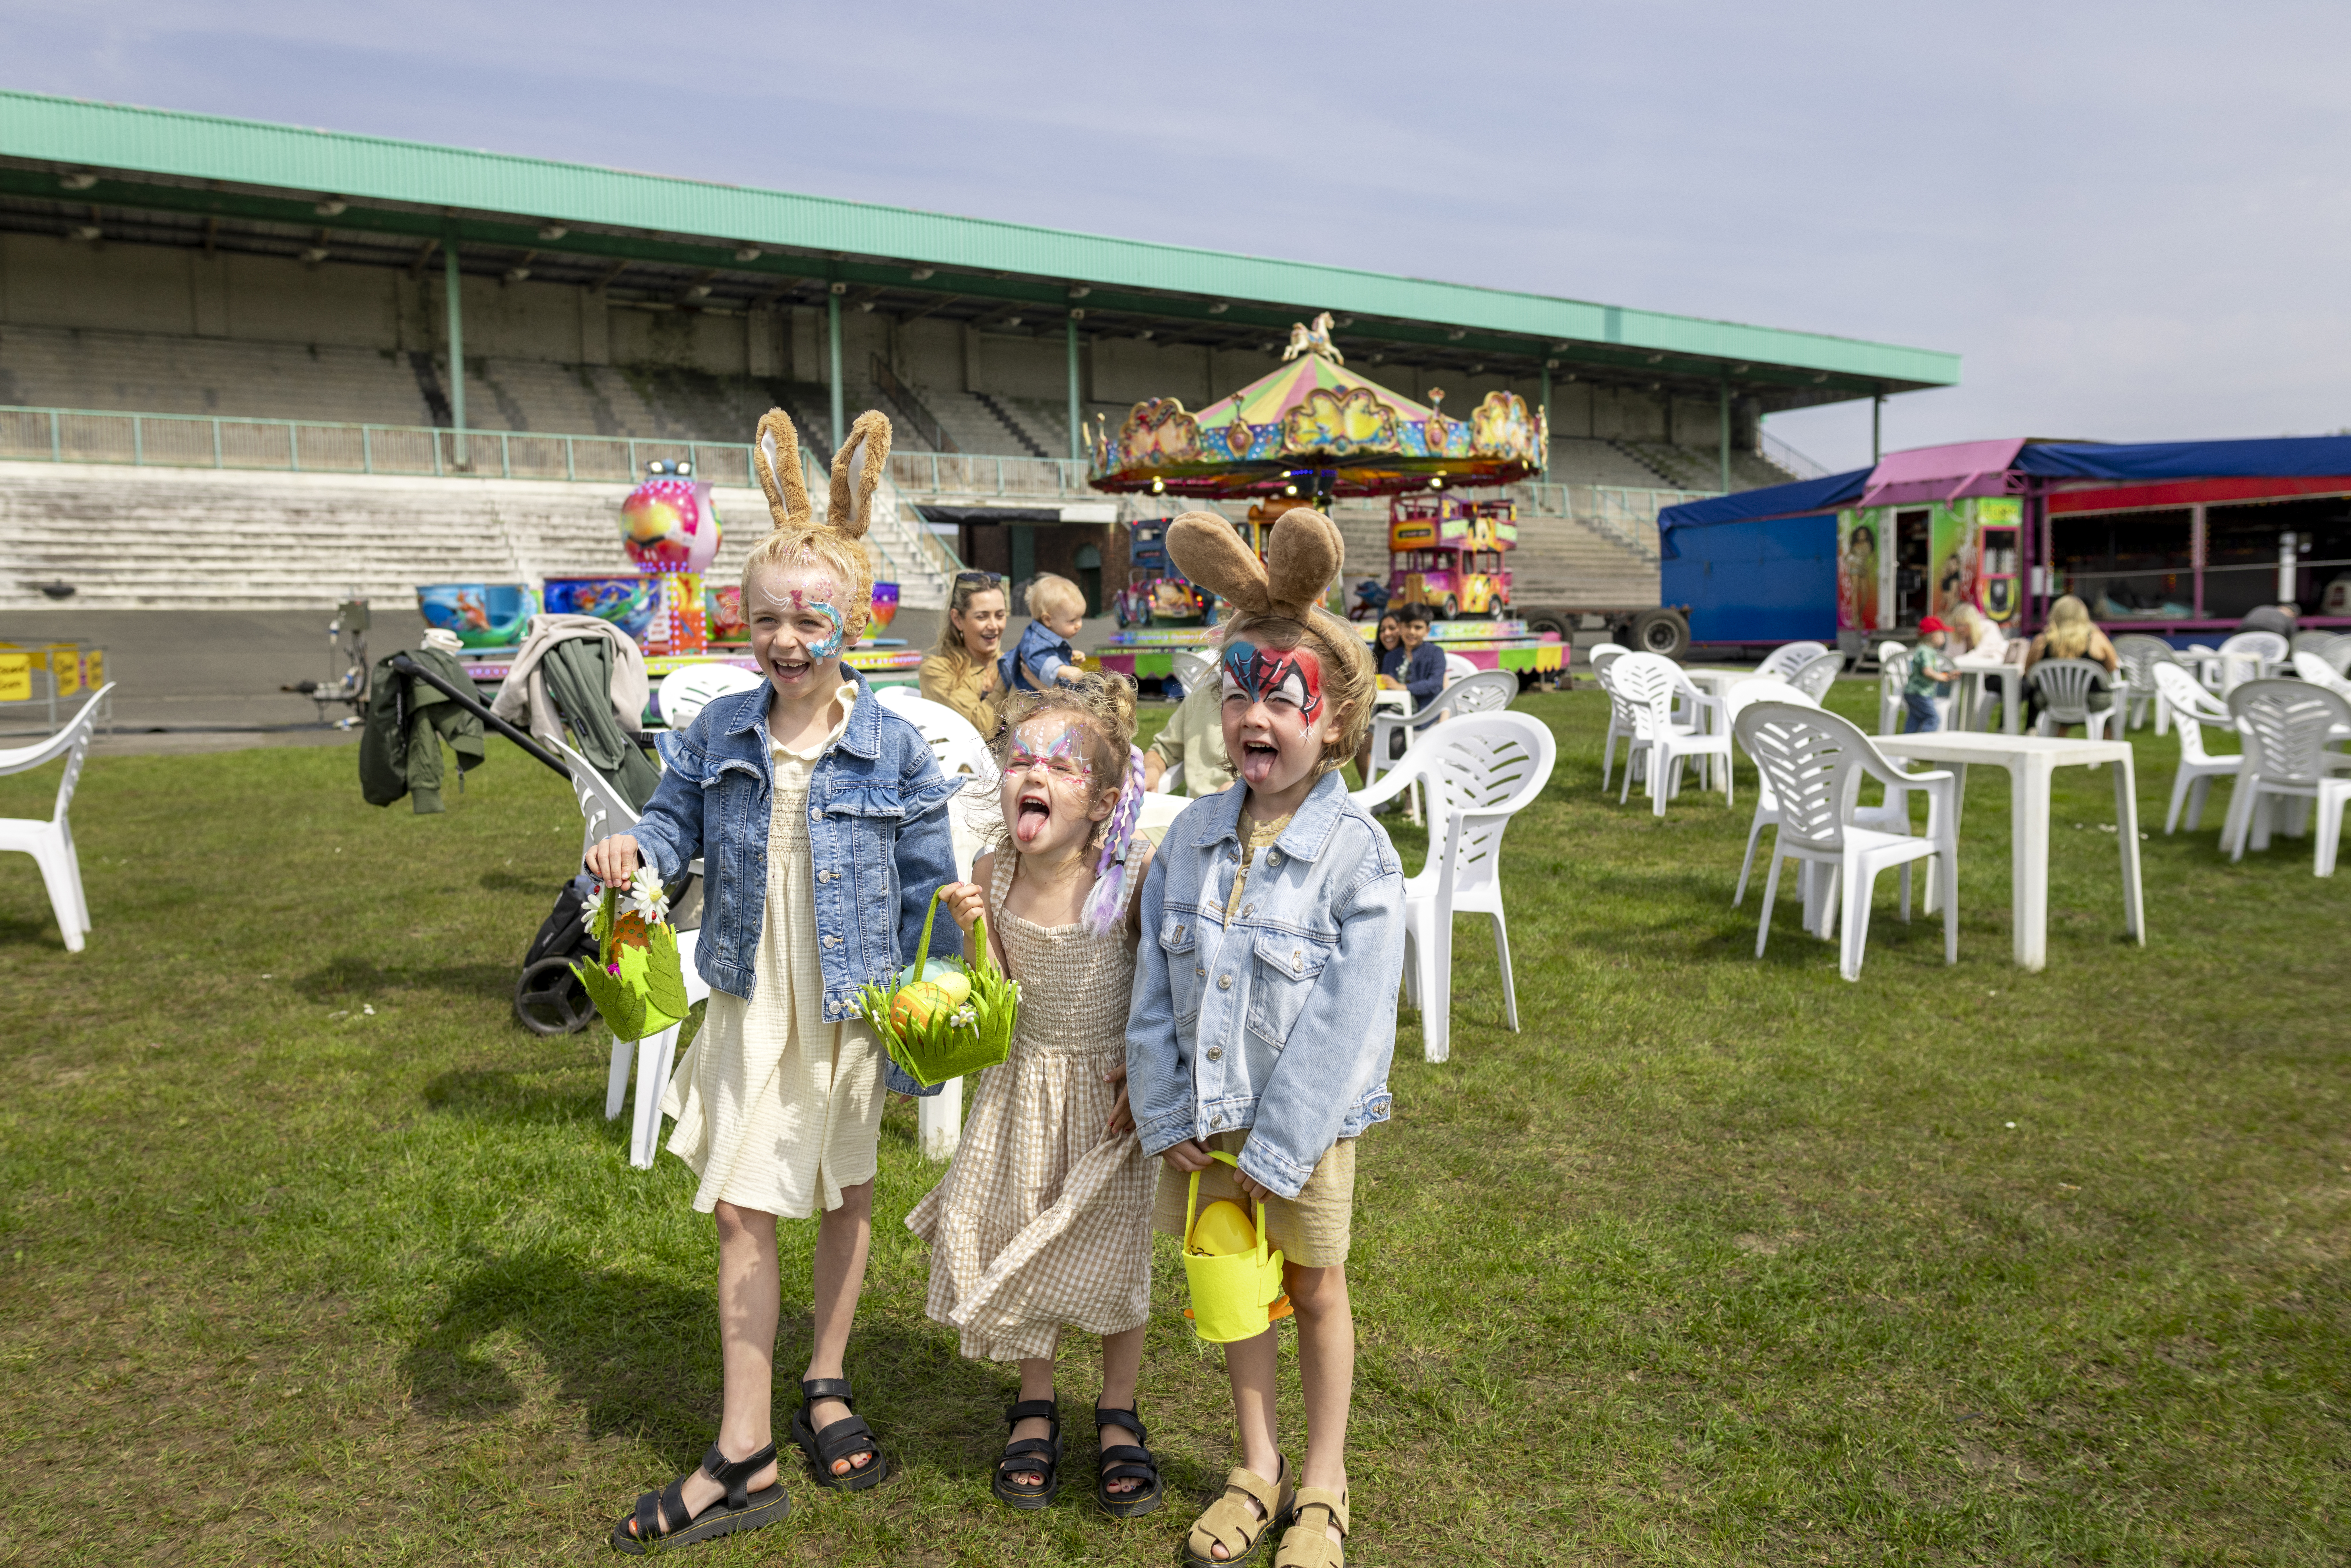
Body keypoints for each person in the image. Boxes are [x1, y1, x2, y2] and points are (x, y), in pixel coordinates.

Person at [589, 410, 962, 1554]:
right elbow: (667, 822)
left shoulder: (893, 745)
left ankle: (827, 1380)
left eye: (810, 617)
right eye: (766, 619)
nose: (787, 638)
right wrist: (632, 855)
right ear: (740, 622)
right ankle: (743, 1443)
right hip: (754, 996)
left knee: (845, 1196)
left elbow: (928, 888)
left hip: (849, 1003)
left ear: (853, 619)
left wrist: (926, 1012)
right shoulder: (714, 731)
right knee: (745, 1209)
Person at [1128, 507, 1404, 1568]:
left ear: (1332, 722)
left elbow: (1348, 1019)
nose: (1253, 712)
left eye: (1279, 696)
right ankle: (1257, 1463)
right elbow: (1152, 981)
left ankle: (1323, 1482)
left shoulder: (1357, 857)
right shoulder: (1190, 834)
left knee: (1314, 1284)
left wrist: (1274, 1154)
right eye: (1236, 689)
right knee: (1231, 1279)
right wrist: (1166, 1111)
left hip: (1304, 1124)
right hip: (1206, 1121)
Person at [908, 676, 1163, 1518]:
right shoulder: (995, 867)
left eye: (1060, 766)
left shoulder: (1129, 875)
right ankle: (1036, 1399)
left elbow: (1159, 985)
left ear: (1103, 801)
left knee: (1116, 1248)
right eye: (1021, 758)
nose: (1033, 775)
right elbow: (1001, 995)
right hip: (1024, 1084)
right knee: (1023, 1230)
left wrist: (1147, 1065)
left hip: (1108, 1092)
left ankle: (1119, 1406)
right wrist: (976, 926)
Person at [920, 570, 1010, 738]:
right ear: (957, 619)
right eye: (982, 617)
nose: (994, 626)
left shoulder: (1011, 662)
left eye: (1000, 615)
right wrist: (1009, 678)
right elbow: (983, 729)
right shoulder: (937, 671)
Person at [2022, 593, 2119, 730]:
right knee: (2106, 718)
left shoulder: (2042, 642)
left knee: (2060, 704)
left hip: (2050, 700)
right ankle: (2107, 745)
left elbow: (2029, 673)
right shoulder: (2096, 639)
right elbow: (2112, 668)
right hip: (2093, 700)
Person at [1144, 674, 1234, 797]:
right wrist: (1151, 769)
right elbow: (1163, 751)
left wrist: (1239, 788)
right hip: (1197, 809)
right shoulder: (1198, 699)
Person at [1004, 574, 1090, 693]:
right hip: (1029, 700)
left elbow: (1050, 656)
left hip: (1045, 695)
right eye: (1072, 621)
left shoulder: (1048, 637)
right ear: (1048, 620)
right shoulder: (1035, 641)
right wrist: (1064, 670)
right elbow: (1040, 661)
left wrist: (1070, 657)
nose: (1079, 625)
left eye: (1081, 618)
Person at [1378, 605, 1446, 711]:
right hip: (1392, 713)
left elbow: (1435, 684)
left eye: (1418, 628)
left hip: (1424, 717)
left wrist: (1402, 687)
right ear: (1400, 627)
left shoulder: (1436, 653)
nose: (1412, 632)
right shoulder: (1391, 657)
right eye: (1408, 626)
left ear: (1427, 631)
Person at [1904, 615, 1958, 732]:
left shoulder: (1925, 650)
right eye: (1943, 634)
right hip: (1920, 694)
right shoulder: (1925, 651)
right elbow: (1927, 672)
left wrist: (1946, 675)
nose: (1945, 637)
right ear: (1935, 637)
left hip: (1912, 693)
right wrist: (1942, 679)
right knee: (1933, 719)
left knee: (1915, 719)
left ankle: (1907, 742)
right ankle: (1925, 743)